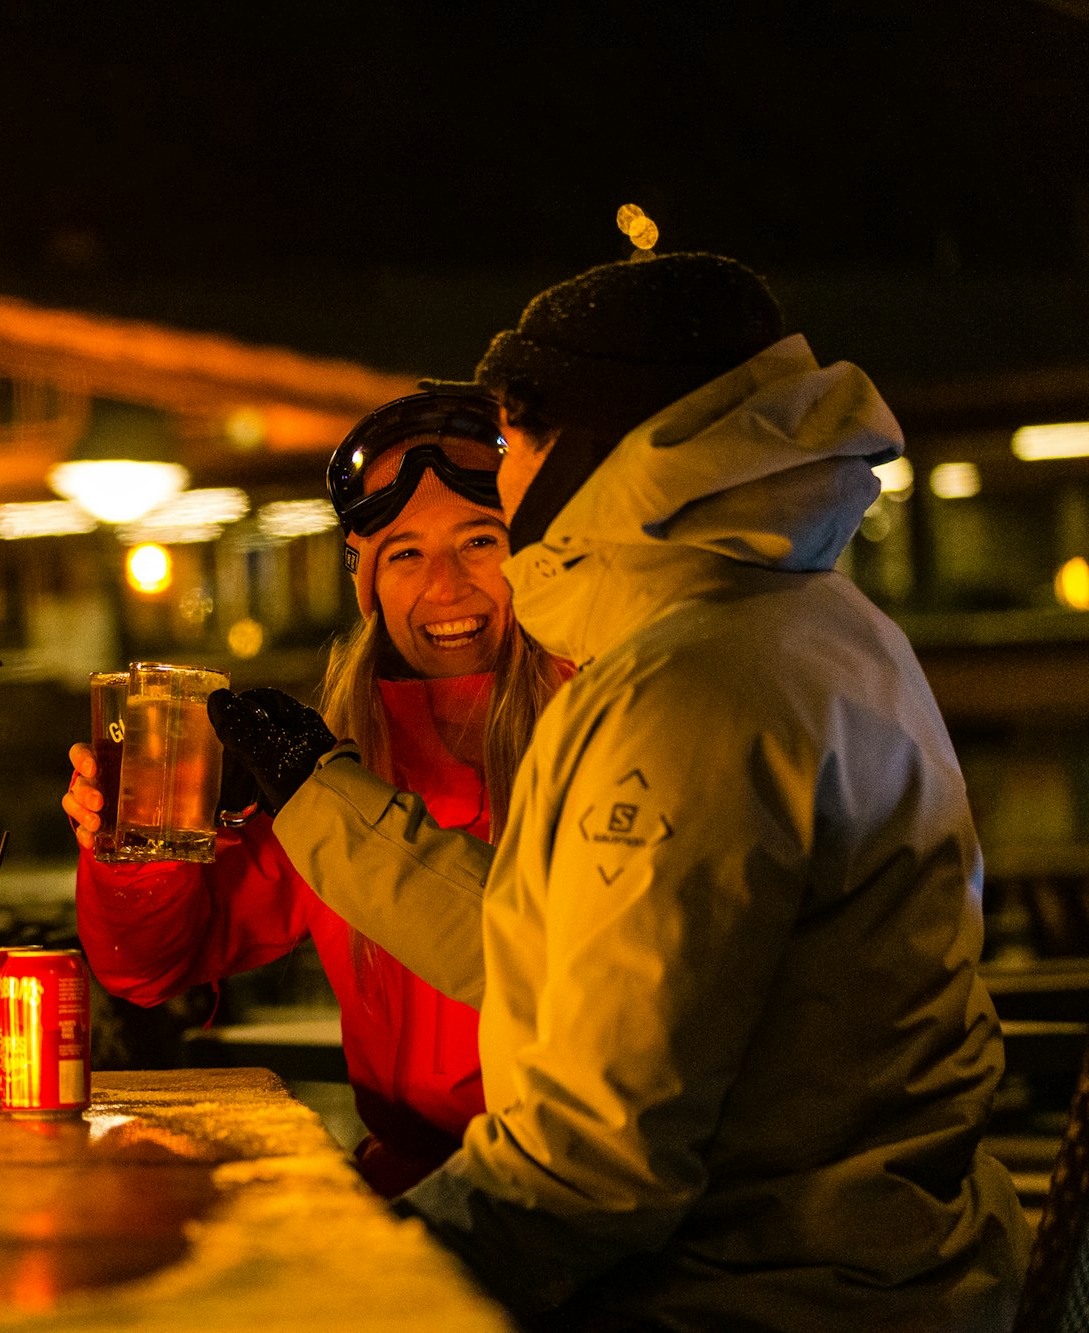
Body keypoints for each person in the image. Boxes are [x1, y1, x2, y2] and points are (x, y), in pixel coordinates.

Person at [210, 254, 1029, 1329]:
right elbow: (551, 951)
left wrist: (342, 1286)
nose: (500, 482)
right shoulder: (797, 622)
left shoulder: (687, 691)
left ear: (585, 446)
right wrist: (317, 787)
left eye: (508, 446)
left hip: (750, 1294)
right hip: (866, 1265)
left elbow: (590, 1165)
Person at [63, 387, 566, 1197]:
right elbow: (153, 966)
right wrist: (139, 847)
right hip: (409, 1181)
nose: (444, 584)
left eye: (480, 540)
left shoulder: (605, 721)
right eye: (403, 553)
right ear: (366, 584)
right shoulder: (335, 754)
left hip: (572, 1193)